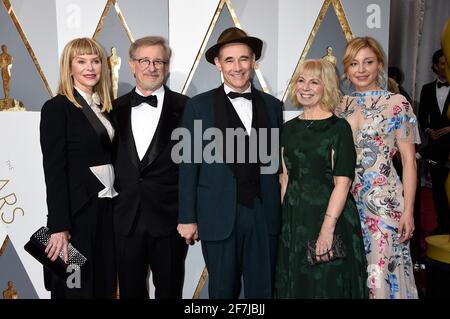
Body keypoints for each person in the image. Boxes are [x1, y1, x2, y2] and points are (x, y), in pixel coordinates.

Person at [177, 27, 282, 298]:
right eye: (230, 60)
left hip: (263, 212)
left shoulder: (273, 105)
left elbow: (278, 164)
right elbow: (188, 166)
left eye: (244, 59)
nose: (238, 67)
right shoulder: (198, 106)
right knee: (222, 291)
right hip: (217, 213)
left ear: (253, 61)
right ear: (218, 64)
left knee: (263, 290)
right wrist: (187, 217)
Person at [274, 59, 368, 298]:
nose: (305, 87)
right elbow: (285, 178)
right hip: (295, 220)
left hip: (329, 216)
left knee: (326, 285)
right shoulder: (289, 128)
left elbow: (343, 183)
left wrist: (327, 229)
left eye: (314, 82)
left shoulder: (339, 128)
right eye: (301, 81)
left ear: (326, 86)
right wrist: (282, 223)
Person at [336, 36, 420, 299]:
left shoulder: (397, 104)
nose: (361, 69)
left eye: (368, 62)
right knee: (351, 269)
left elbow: (408, 161)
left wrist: (408, 210)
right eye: (354, 63)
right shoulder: (338, 106)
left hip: (385, 203)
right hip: (345, 202)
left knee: (382, 271)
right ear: (346, 69)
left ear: (380, 64)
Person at [112, 36, 189, 299]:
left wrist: (190, 216)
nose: (152, 67)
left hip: (170, 221)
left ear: (166, 67)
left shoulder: (188, 108)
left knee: (170, 292)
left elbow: (195, 167)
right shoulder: (112, 109)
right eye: (144, 60)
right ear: (132, 65)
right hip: (125, 219)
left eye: (159, 61)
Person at [40, 37, 116, 299]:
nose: (90, 67)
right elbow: (54, 169)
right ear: (68, 67)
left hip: (106, 212)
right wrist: (59, 226)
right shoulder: (57, 108)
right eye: (81, 61)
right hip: (75, 217)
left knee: (103, 286)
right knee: (75, 289)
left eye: (95, 60)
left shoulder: (106, 108)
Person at [418, 49, 450, 234]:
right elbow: (422, 117)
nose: (446, 67)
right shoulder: (427, 89)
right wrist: (429, 130)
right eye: (442, 63)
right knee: (438, 188)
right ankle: (442, 225)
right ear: (435, 66)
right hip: (435, 145)